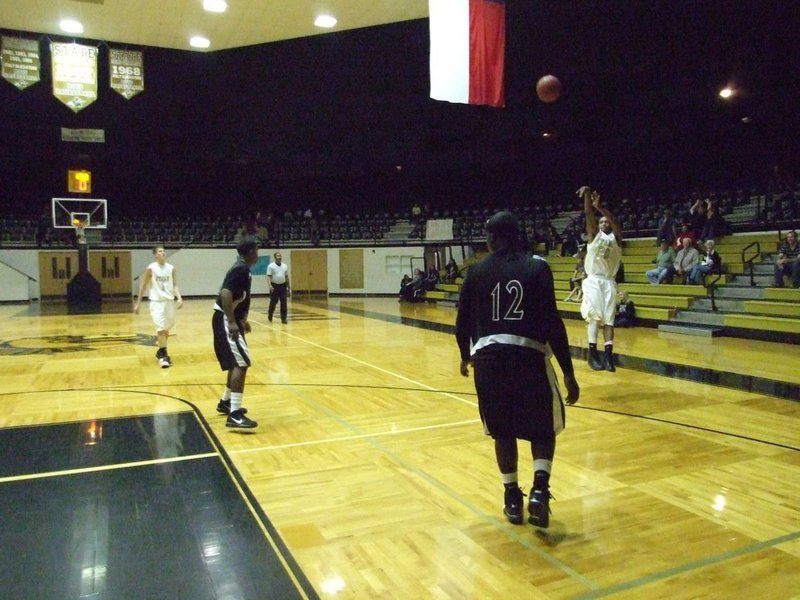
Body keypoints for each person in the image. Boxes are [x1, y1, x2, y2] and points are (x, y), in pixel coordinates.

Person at [456, 211, 579, 530]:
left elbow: (462, 323)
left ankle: (512, 495)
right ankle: (539, 489)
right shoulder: (538, 267)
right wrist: (568, 371)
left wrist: (463, 356)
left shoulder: (476, 272)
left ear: (494, 238)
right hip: (528, 356)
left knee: (502, 430)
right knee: (543, 430)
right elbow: (553, 322)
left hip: (488, 360)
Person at [213, 239, 259, 429]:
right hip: (224, 319)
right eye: (256, 251)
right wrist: (231, 321)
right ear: (249, 253)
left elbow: (239, 297)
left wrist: (241, 319)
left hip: (229, 318)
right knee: (242, 362)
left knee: (236, 361)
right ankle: (235, 414)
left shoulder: (244, 269)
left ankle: (226, 402)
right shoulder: (240, 269)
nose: (258, 254)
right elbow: (225, 293)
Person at [578, 186, 623, 372]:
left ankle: (608, 355)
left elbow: (616, 223)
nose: (604, 223)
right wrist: (588, 197)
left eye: (606, 221)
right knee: (594, 318)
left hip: (609, 281)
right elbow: (589, 215)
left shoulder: (617, 239)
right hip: (594, 280)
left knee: (609, 320)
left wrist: (601, 208)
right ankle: (592, 353)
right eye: (601, 221)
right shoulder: (594, 236)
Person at [133, 246, 183, 368]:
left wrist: (179, 297)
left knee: (166, 330)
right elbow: (143, 286)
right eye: (160, 251)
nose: (163, 252)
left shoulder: (171, 268)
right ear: (155, 255)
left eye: (163, 251)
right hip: (156, 302)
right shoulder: (151, 268)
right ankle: (164, 356)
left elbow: (175, 285)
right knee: (160, 329)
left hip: (169, 302)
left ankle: (160, 350)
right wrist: (138, 303)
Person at [267, 251, 290, 324]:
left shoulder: (284, 266)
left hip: (283, 286)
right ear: (275, 258)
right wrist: (270, 286)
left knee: (284, 303)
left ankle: (283, 318)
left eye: (280, 256)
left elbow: (286, 277)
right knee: (273, 303)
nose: (279, 257)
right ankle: (270, 313)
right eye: (278, 256)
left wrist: (288, 287)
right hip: (274, 286)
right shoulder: (271, 266)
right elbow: (268, 277)